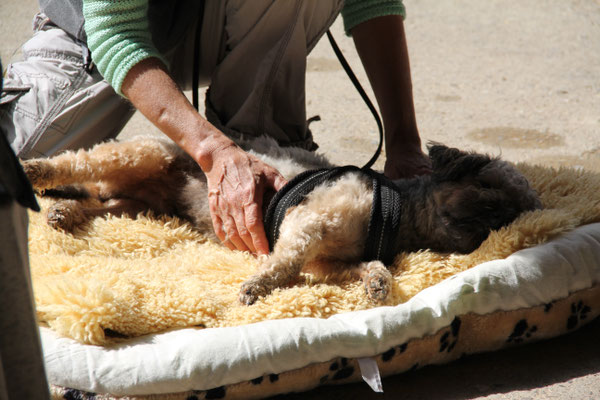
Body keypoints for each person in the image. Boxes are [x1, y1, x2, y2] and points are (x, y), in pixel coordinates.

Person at [0, 0, 431, 256]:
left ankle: (261, 167)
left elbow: (370, 3)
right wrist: (212, 150)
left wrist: (405, 142)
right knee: (13, 179)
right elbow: (115, 30)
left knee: (269, 200)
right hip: (98, 32)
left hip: (224, 18)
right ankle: (228, 166)